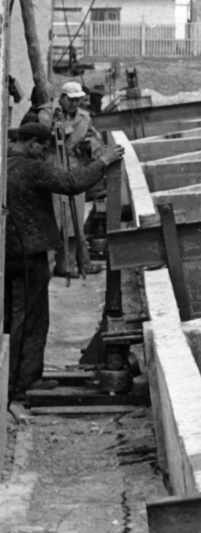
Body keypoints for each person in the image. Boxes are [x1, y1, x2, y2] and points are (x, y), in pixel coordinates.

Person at [6, 124, 123, 398]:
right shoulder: (31, 168)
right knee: (31, 319)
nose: (44, 154)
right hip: (29, 255)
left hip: (7, 254)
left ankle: (9, 378)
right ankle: (23, 383)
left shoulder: (4, 164)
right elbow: (72, 183)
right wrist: (103, 161)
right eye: (42, 148)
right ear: (32, 143)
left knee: (11, 318)